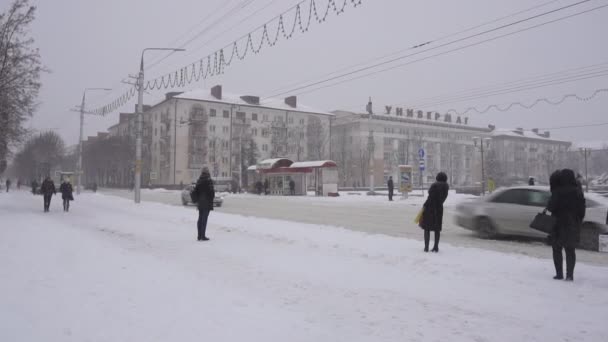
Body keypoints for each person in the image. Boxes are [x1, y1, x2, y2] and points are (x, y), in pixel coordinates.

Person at [547, 169, 585, 281]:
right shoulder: (577, 191)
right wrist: (577, 219)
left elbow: (550, 207)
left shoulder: (557, 191)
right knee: (570, 250)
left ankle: (559, 274)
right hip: (572, 224)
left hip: (558, 224)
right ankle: (569, 275)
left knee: (557, 249)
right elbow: (582, 210)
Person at [419, 172, 449, 252]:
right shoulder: (446, 187)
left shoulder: (435, 186)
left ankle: (426, 248)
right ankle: (436, 247)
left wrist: (424, 205)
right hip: (439, 209)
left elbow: (430, 199)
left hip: (430, 209)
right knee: (437, 229)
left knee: (427, 228)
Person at [191, 167, 215, 241]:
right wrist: (211, 198)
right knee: (204, 219)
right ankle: (203, 236)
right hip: (207, 202)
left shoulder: (199, 180)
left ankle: (199, 235)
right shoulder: (208, 181)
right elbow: (211, 192)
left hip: (200, 203)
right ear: (208, 173)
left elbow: (196, 191)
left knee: (200, 219)